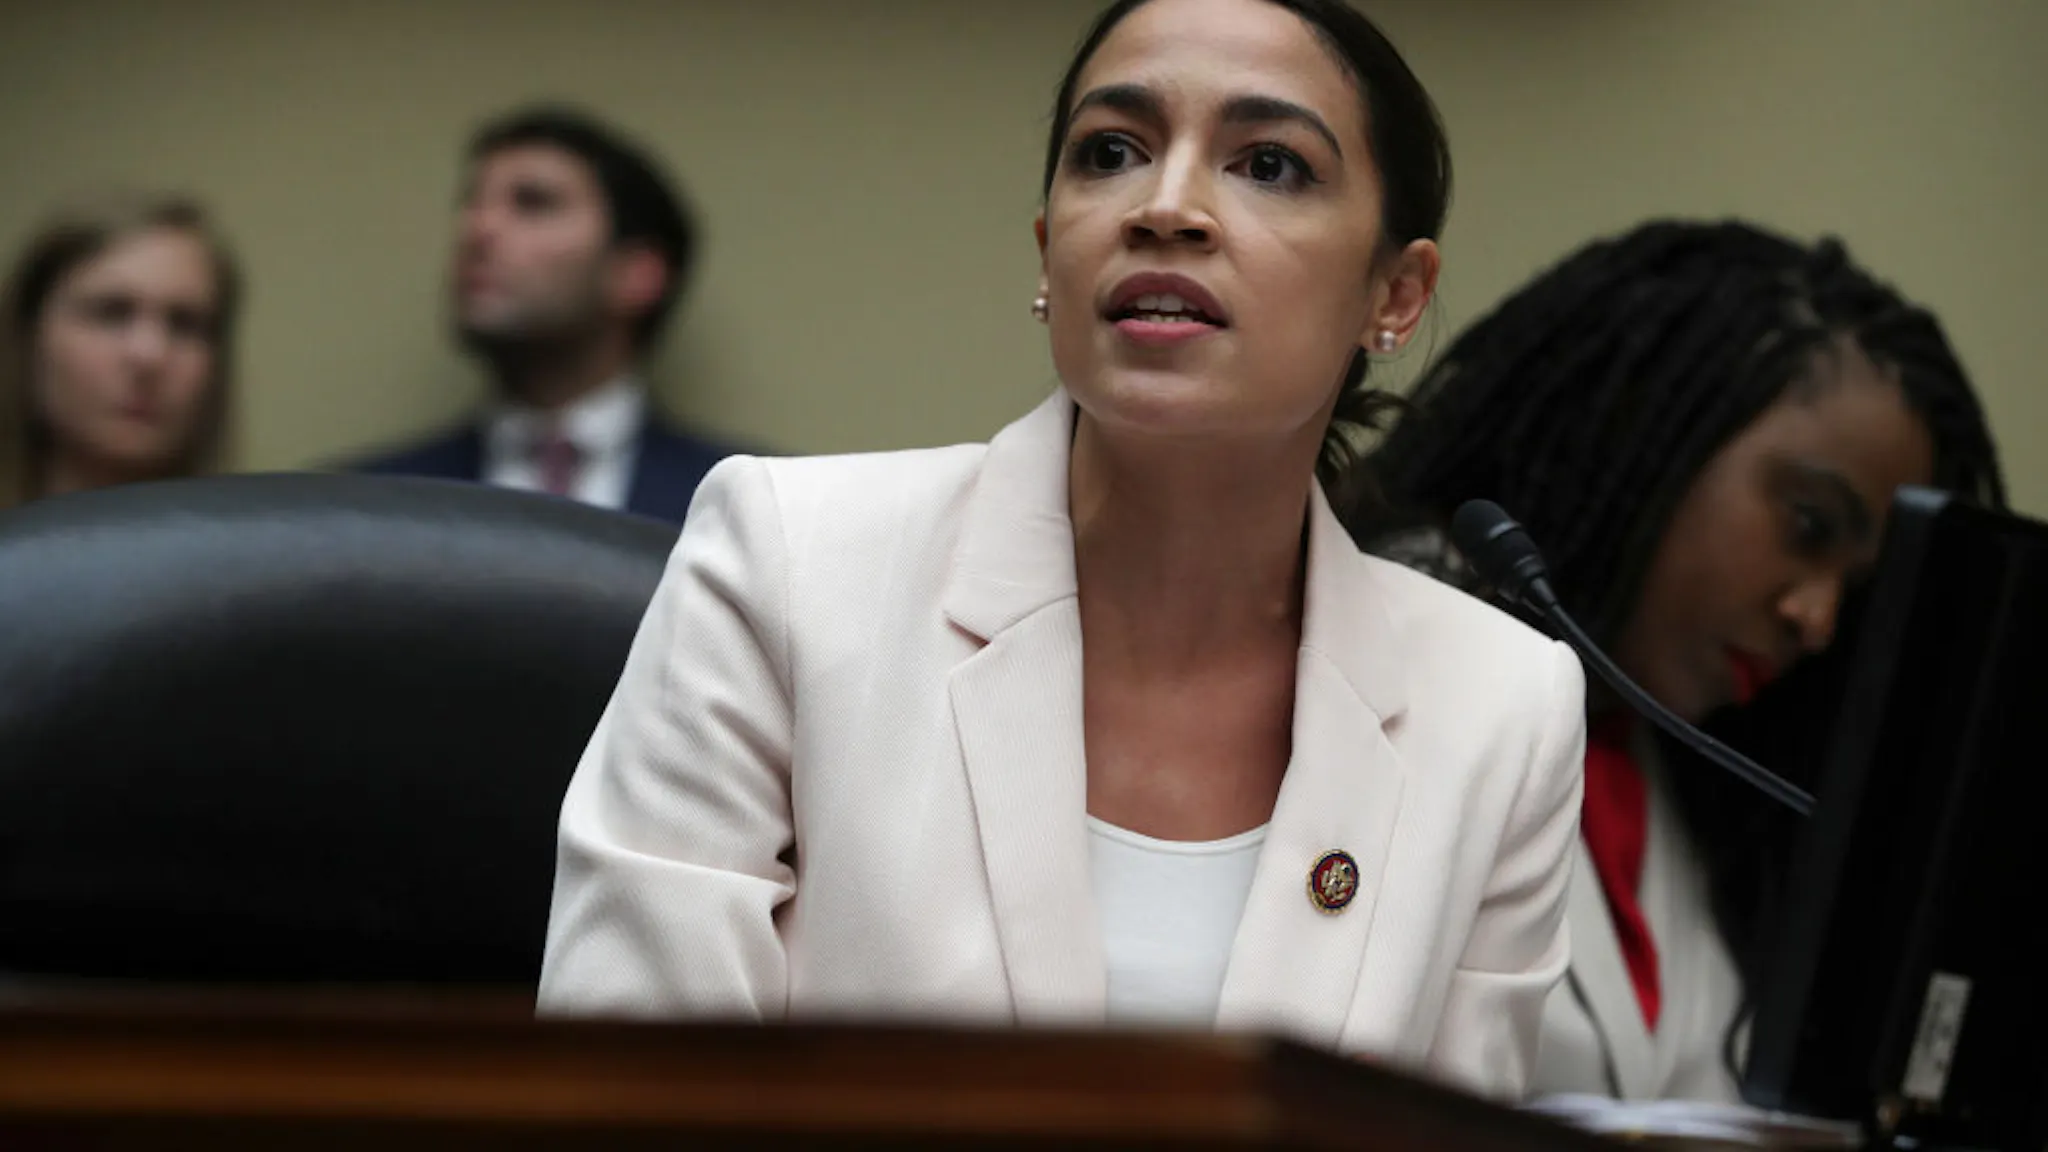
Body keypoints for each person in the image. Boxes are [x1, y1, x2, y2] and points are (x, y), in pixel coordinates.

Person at [538, 0, 1587, 1101]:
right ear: (1049, 250)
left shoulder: (1502, 706)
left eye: (1268, 164)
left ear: (1395, 295)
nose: (1166, 207)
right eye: (1111, 153)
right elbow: (628, 1095)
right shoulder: (789, 565)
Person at [1340, 219, 2007, 1102]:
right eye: (1807, 525)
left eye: (1857, 587)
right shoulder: (1370, 661)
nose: (1818, 620)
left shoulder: (1681, 768)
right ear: (1641, 427)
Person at [349, 106, 736, 523]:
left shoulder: (745, 508)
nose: (477, 229)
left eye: (533, 203)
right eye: (472, 203)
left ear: (637, 273)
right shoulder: (365, 504)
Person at [0, 194, 241, 512]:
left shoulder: (262, 554)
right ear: (30, 335)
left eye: (185, 324)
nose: (150, 355)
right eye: (110, 313)